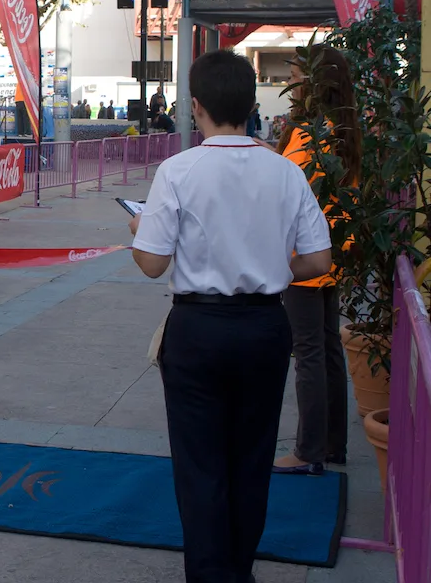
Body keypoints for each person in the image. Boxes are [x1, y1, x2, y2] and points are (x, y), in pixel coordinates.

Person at [130, 50, 331, 583]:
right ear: (251, 105)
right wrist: (269, 262)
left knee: (200, 466)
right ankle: (239, 572)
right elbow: (318, 260)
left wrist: (141, 232)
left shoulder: (178, 170)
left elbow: (151, 264)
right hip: (265, 327)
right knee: (252, 455)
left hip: (198, 329)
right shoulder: (286, 171)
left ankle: (209, 574)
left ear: (196, 106)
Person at [267, 47, 359, 476]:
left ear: (315, 82)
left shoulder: (310, 134)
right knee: (326, 348)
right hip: (335, 251)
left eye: (298, 74)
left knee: (308, 353)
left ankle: (308, 451)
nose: (292, 82)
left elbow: (292, 192)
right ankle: (332, 444)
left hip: (306, 256)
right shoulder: (347, 130)